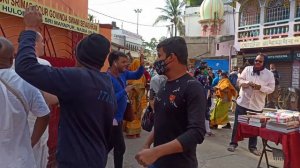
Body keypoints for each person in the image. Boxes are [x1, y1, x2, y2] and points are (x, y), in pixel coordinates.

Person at [15, 6, 117, 168]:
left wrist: (31, 29)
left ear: (78, 54)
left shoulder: (77, 78)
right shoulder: (106, 83)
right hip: (96, 159)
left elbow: (25, 66)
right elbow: (57, 99)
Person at [135, 37, 206, 168]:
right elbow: (162, 121)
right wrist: (147, 145)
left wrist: (155, 152)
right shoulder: (164, 85)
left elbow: (197, 132)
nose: (157, 60)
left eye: (159, 55)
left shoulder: (193, 87)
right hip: (157, 162)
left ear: (171, 57)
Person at [0, 37, 50, 168]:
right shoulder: (24, 82)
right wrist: (31, 142)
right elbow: (44, 115)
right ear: (12, 59)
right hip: (21, 160)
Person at [227, 53, 275, 156]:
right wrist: (245, 83)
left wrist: (260, 87)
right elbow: (239, 80)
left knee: (254, 126)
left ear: (264, 63)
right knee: (237, 124)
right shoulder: (247, 69)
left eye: (260, 61)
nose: (257, 62)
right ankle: (233, 143)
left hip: (256, 106)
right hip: (242, 103)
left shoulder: (269, 74)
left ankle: (252, 147)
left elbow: (271, 89)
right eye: (256, 60)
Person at [107, 51, 144, 168]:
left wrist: (142, 65)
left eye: (127, 62)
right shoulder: (107, 78)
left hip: (119, 118)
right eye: (123, 62)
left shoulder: (123, 73)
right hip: (113, 119)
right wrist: (125, 90)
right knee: (120, 147)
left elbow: (137, 75)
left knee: (109, 145)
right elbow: (110, 99)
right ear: (114, 63)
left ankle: (96, 161)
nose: (126, 64)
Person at [125, 59, 148, 139]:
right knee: (138, 116)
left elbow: (130, 89)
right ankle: (137, 132)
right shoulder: (142, 76)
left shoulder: (132, 77)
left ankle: (131, 133)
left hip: (133, 100)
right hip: (141, 99)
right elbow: (144, 85)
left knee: (132, 115)